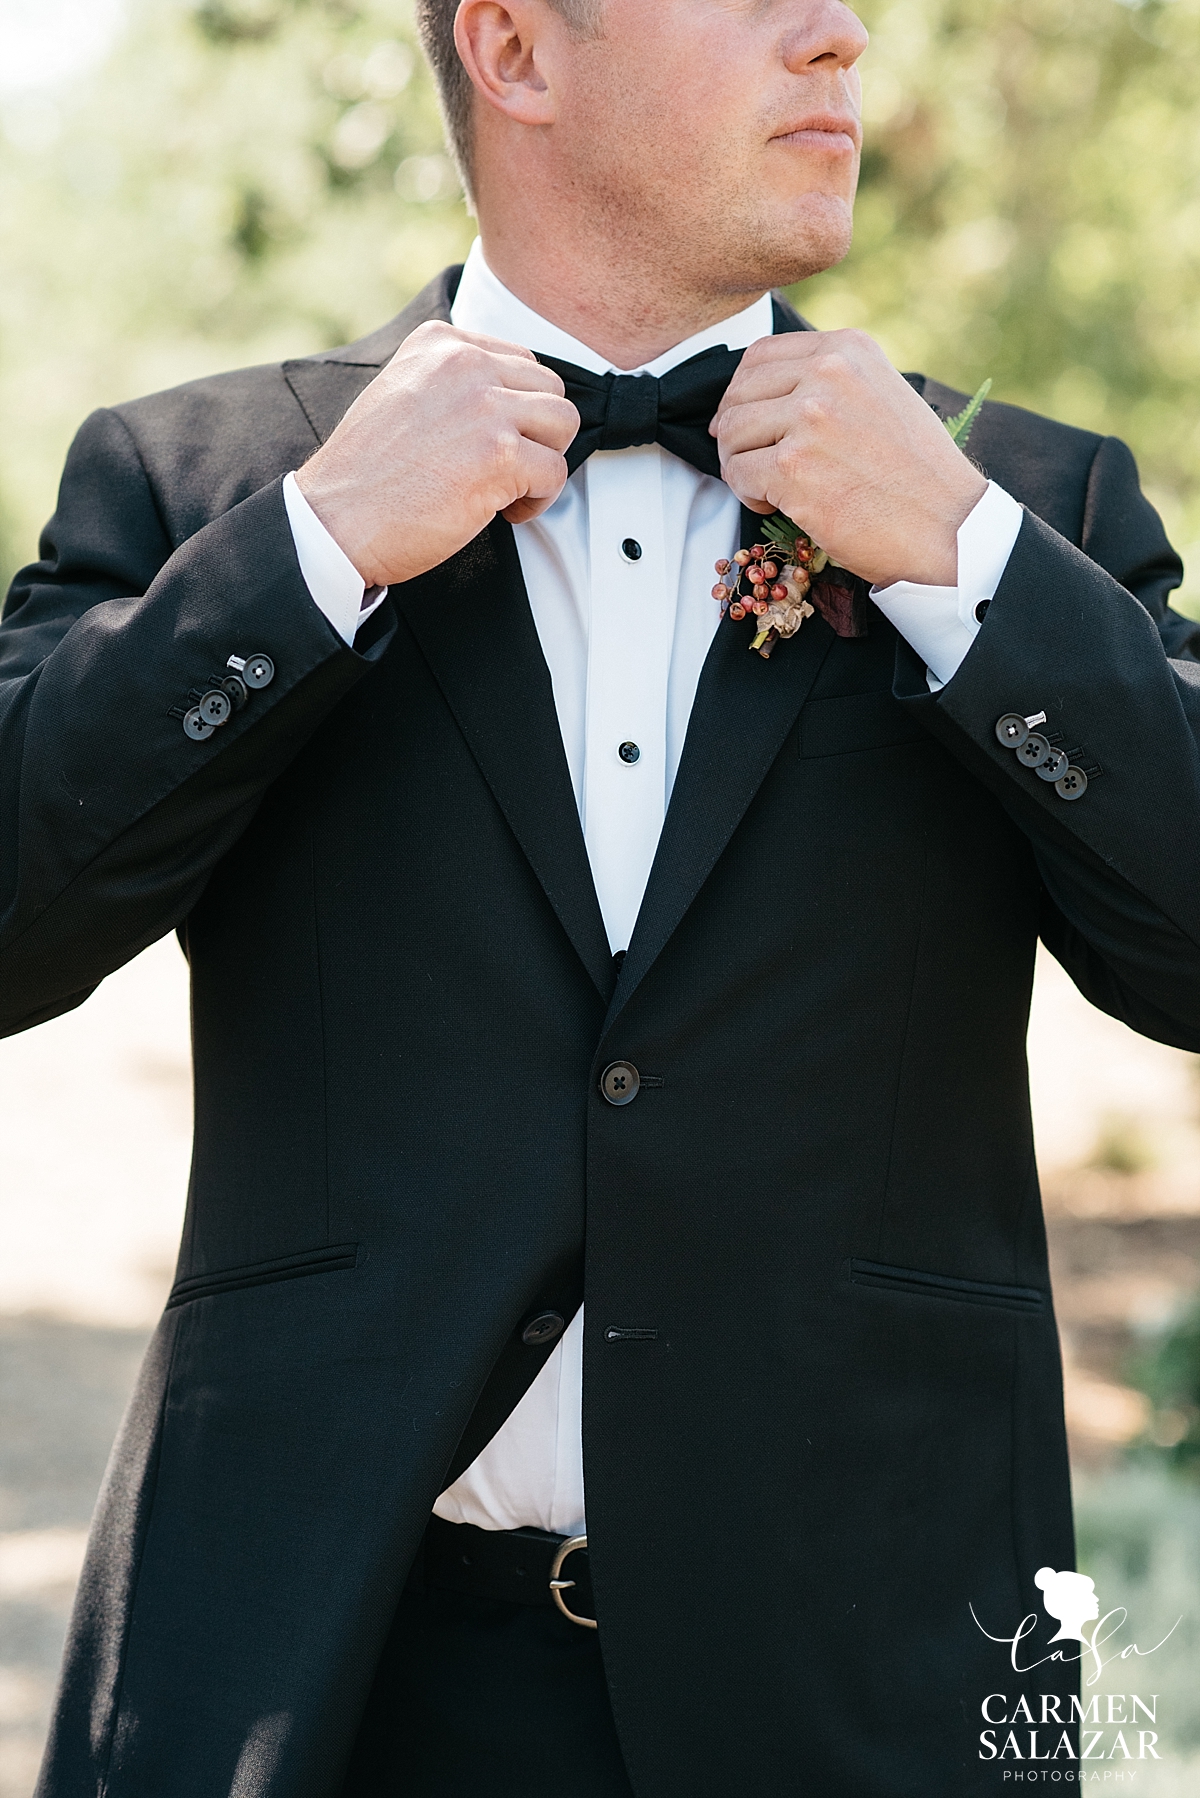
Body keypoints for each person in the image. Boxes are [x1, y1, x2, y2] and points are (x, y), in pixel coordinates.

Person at [2, 1, 1198, 1793]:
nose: (840, 34)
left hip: (871, 1687)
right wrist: (316, 551)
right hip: (326, 1681)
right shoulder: (212, 489)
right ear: (516, 51)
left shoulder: (1023, 503)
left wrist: (964, 565)